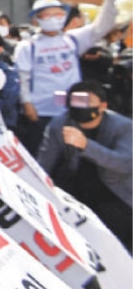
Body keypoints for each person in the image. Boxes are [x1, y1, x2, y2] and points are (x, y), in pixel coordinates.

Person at [14, 0, 118, 157]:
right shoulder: (27, 47)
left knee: (75, 152)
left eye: (59, 14)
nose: (54, 19)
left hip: (74, 107)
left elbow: (102, 26)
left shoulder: (73, 39)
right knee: (44, 153)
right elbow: (22, 77)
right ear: (36, 19)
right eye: (48, 15)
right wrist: (27, 103)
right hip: (42, 110)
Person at [37, 80, 132, 251]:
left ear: (102, 106)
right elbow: (45, 162)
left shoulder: (124, 127)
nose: (81, 107)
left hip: (115, 194)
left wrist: (86, 145)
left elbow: (124, 164)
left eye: (87, 102)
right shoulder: (60, 124)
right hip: (78, 190)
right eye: (77, 101)